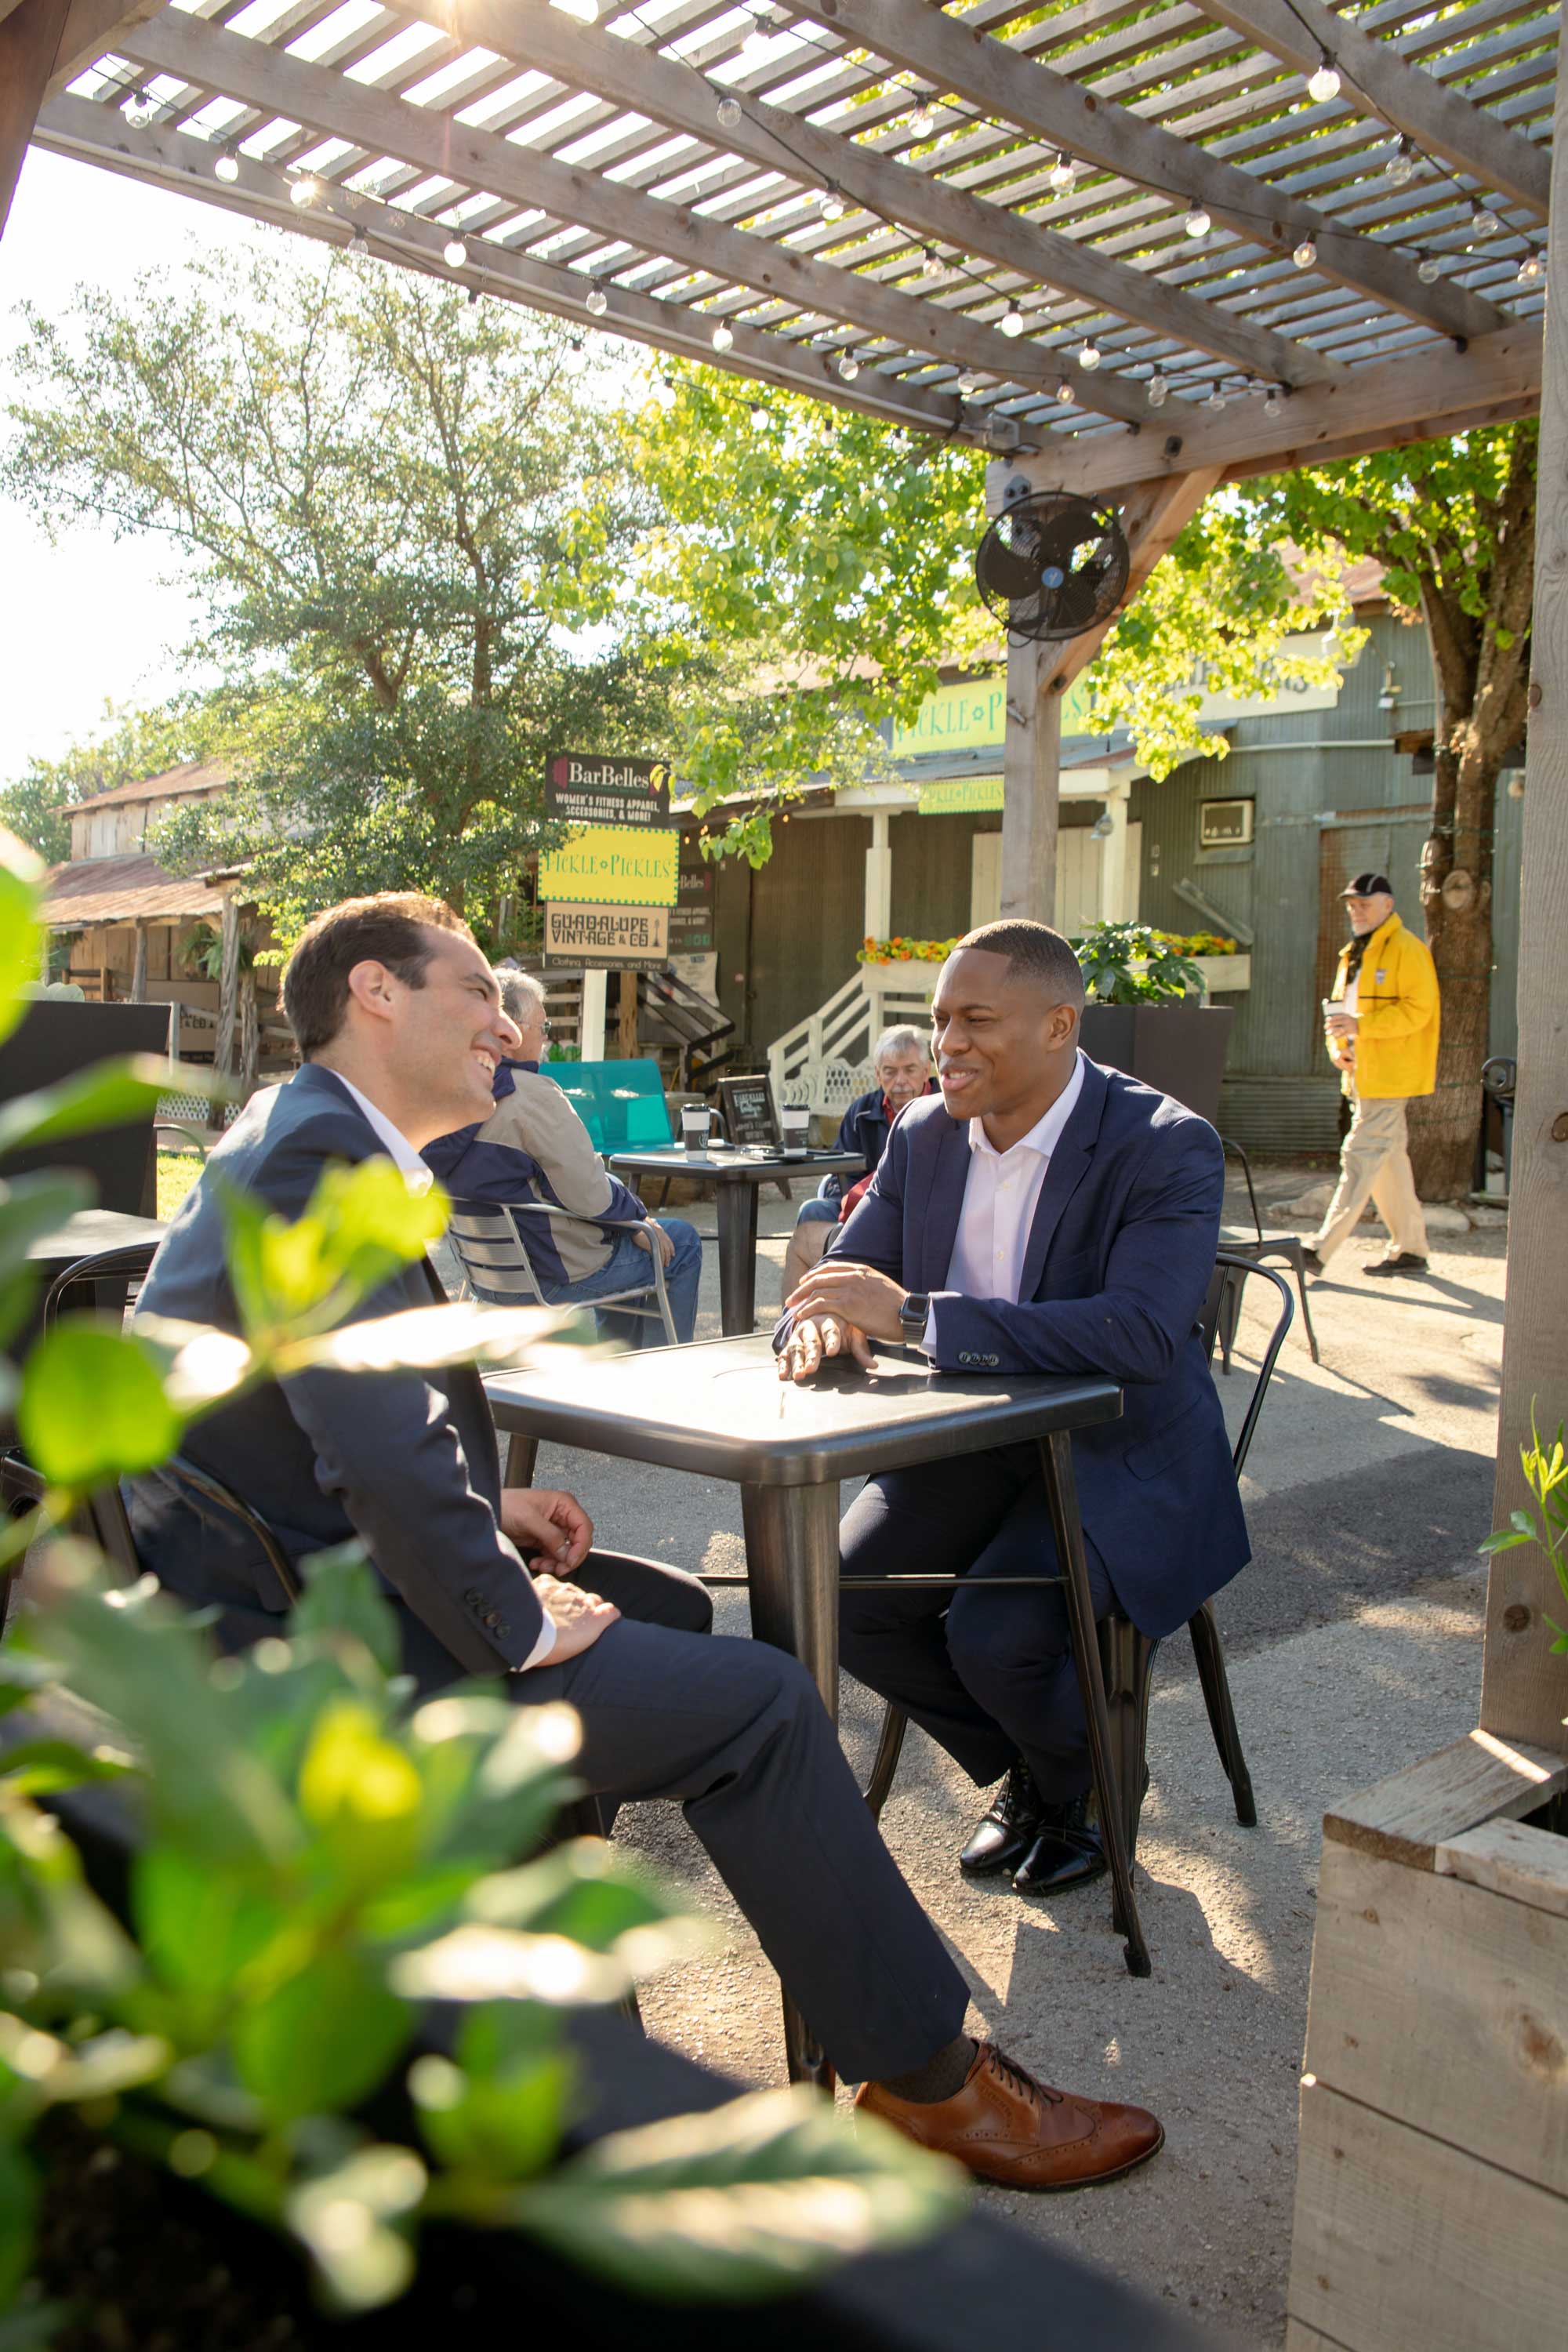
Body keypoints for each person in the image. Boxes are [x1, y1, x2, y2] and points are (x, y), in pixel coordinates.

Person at [124, 891, 1164, 2191]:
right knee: (768, 1706)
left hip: (291, 1586)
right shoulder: (321, 1162)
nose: (504, 1023)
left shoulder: (308, 1139)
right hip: (312, 1651)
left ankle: (556, 2018)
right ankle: (932, 2088)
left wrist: (490, 1516)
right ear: (375, 996)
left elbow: (317, 1416)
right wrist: (509, 1613)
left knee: (667, 1610)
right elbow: (377, 1449)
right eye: (473, 990)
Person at [778, 919, 1248, 1900]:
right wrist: (817, 1327)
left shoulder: (1164, 1145)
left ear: (1057, 1027)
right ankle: (1054, 1768)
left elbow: (1139, 1334)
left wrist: (912, 1317)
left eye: (976, 1020)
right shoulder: (921, 1133)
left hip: (1117, 1453)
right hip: (973, 1444)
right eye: (941, 1019)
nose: (946, 1043)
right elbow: (837, 1280)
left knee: (994, 1633)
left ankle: (1072, 1784)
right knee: (841, 1603)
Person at [423, 967, 702, 1346]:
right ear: (510, 1031)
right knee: (680, 1242)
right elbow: (589, 1194)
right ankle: (662, 1375)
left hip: (488, 1278)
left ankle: (621, 1368)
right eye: (542, 1025)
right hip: (551, 1274)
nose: (545, 1037)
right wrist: (638, 1217)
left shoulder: (446, 1091)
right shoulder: (532, 1095)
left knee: (627, 1235)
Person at [1302, 873, 1439, 1282]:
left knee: (1360, 1157)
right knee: (1389, 1163)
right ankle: (1411, 1249)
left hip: (1389, 1078)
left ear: (1388, 906)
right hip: (1363, 1075)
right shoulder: (1353, 955)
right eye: (1351, 904)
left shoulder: (1408, 950)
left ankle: (1320, 1249)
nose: (1355, 911)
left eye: (1364, 903)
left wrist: (1359, 1027)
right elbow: (1338, 1016)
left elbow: (1420, 1010)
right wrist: (1339, 1050)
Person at [780, 1026, 935, 1301]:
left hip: (921, 1216)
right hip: (863, 1210)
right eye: (890, 1071)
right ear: (878, 1074)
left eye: (910, 1070)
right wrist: (864, 1211)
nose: (900, 1081)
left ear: (926, 1071)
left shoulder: (942, 1111)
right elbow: (841, 1175)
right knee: (814, 1209)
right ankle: (816, 1307)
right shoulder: (861, 1112)